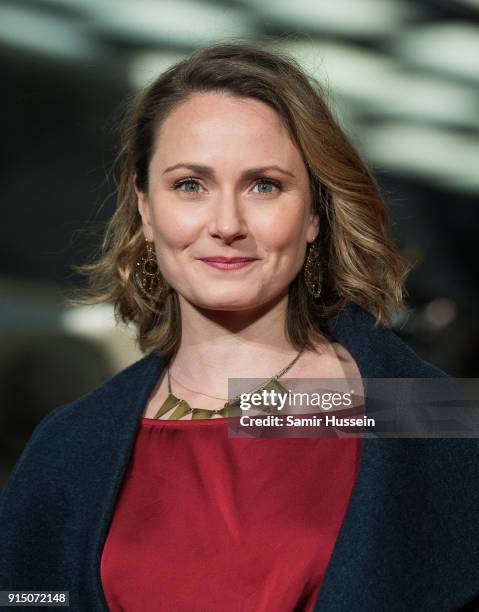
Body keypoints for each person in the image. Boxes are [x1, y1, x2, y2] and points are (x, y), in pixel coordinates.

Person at [1, 42, 478, 612]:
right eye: (189, 185)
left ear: (315, 215)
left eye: (265, 185)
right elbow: (29, 598)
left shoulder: (431, 419)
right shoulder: (71, 445)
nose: (227, 224)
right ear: (147, 210)